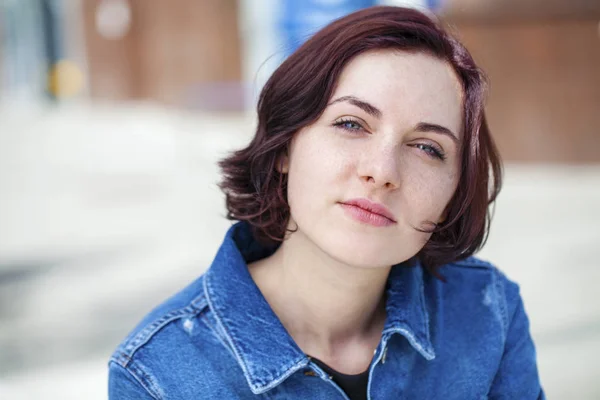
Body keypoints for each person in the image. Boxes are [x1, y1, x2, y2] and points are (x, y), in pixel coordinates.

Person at [108, 6, 544, 399]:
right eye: (352, 123)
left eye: (428, 148)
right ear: (284, 148)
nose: (383, 171)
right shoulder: (159, 371)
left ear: (453, 195)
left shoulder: (487, 311)